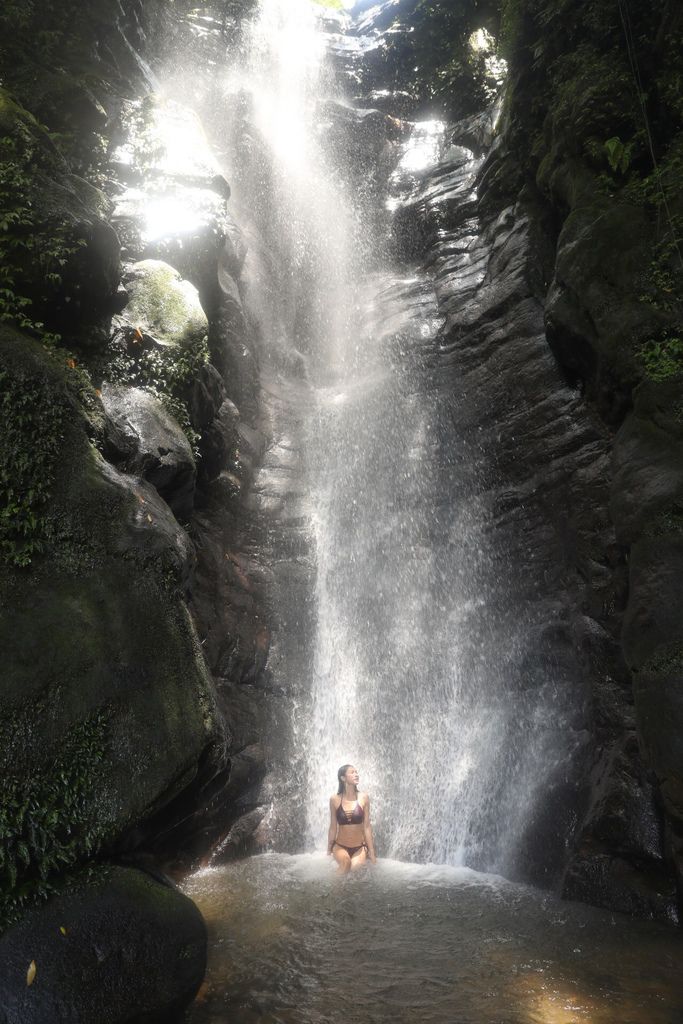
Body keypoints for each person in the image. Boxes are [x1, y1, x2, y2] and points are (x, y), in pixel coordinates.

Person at [327, 763, 377, 873]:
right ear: (343, 778)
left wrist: (372, 852)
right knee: (345, 864)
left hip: (359, 848)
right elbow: (333, 827)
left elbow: (367, 827)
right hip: (340, 846)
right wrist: (328, 849)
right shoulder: (334, 799)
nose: (356, 774)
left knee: (355, 871)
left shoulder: (364, 797)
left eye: (356, 772)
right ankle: (332, 890)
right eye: (352, 772)